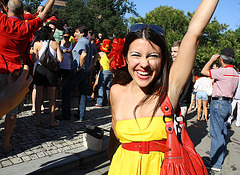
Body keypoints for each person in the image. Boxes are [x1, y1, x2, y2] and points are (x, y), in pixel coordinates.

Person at [107, 0, 219, 174]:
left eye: (153, 56)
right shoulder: (116, 91)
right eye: (136, 55)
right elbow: (114, 130)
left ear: (162, 60)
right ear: (126, 57)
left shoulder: (169, 90)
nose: (144, 64)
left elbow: (194, 33)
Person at [0, 0, 56, 154]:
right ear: (22, 11)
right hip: (16, 74)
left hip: (0, 70)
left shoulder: (1, 20)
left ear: (6, 9)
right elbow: (44, 14)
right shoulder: (26, 26)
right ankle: (6, 143)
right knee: (12, 111)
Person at [201, 48, 239, 172]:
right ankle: (216, 159)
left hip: (219, 102)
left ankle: (216, 163)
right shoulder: (235, 73)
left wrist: (212, 60)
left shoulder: (223, 72)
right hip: (228, 103)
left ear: (221, 59)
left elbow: (204, 71)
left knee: (216, 134)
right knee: (221, 133)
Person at [60, 25, 99, 121]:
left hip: (79, 71)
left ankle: (66, 115)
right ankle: (81, 115)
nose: (74, 34)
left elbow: (84, 54)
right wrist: (91, 65)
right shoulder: (88, 42)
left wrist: (79, 66)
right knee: (83, 93)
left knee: (65, 90)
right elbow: (96, 54)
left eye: (76, 32)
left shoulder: (81, 42)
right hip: (86, 71)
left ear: (82, 33)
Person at [32, 25, 63, 127]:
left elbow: (34, 59)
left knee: (39, 97)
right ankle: (52, 121)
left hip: (40, 70)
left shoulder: (37, 44)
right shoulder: (55, 44)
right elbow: (60, 59)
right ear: (49, 33)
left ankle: (37, 121)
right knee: (52, 98)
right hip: (51, 72)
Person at [171, 40, 194, 119]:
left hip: (179, 106)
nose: (172, 54)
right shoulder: (171, 66)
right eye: (172, 51)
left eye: (175, 51)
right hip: (171, 105)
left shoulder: (185, 69)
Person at [95, 39, 112, 107]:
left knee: (101, 87)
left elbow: (95, 51)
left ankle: (99, 102)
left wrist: (99, 45)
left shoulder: (101, 54)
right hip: (110, 72)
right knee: (108, 88)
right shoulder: (111, 54)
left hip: (103, 71)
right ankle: (106, 102)